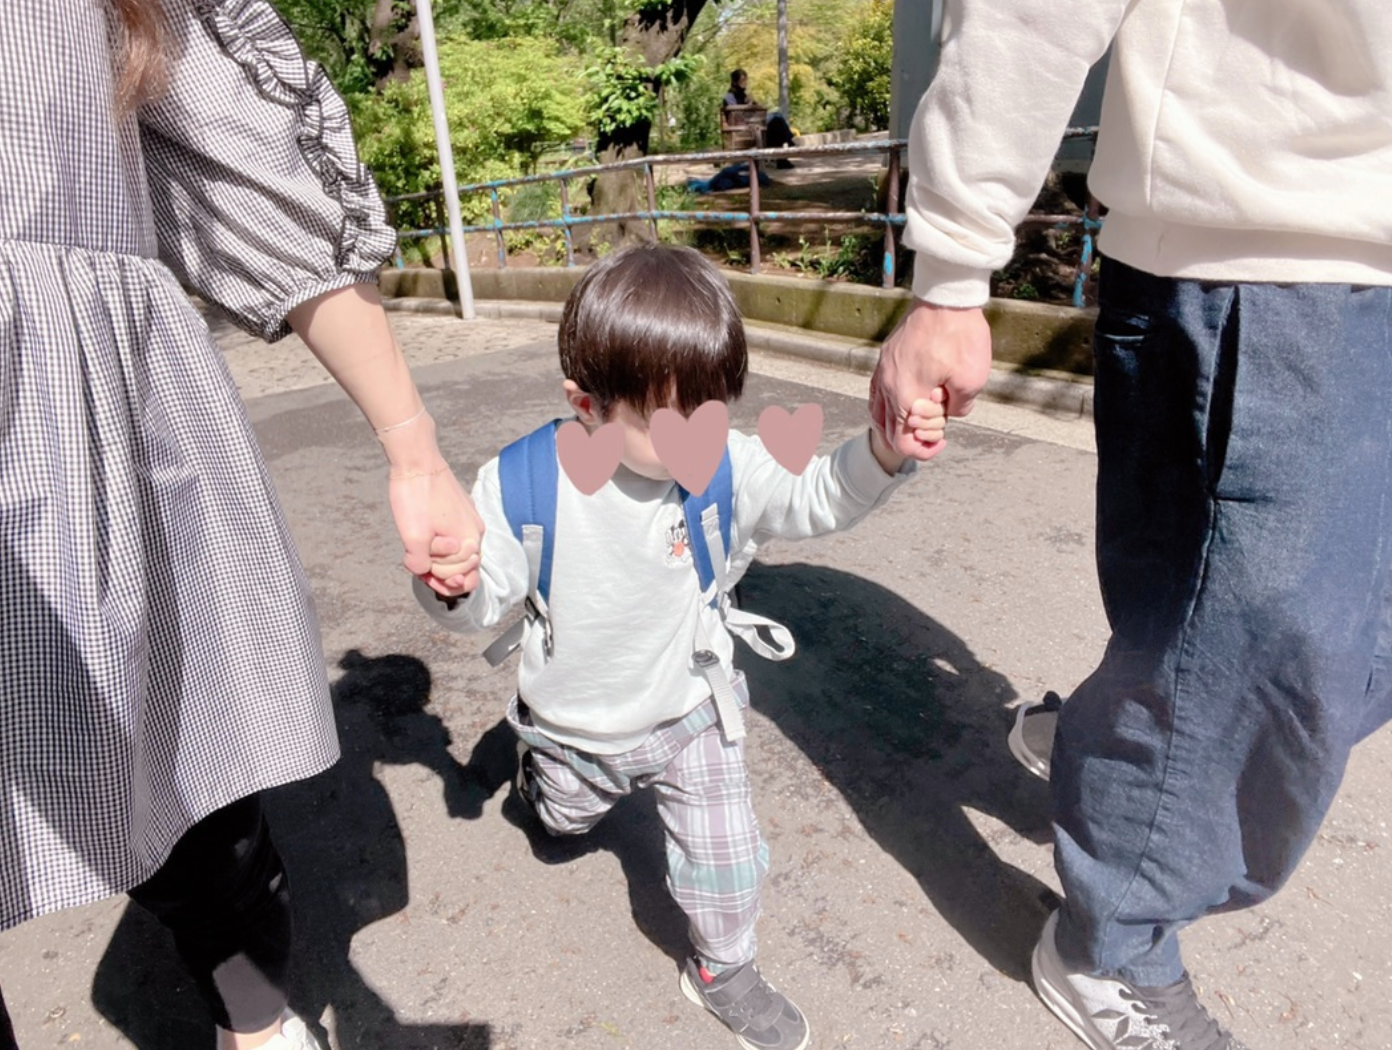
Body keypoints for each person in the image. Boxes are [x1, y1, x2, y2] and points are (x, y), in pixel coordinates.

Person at [871, 1, 1392, 1049]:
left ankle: (1121, 741)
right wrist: (952, 272)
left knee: (1347, 639)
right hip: (1259, 249)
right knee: (1257, 652)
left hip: (1351, 266)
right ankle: (1109, 941)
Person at [0, 2, 482, 1049]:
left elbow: (253, 161)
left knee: (183, 761)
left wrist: (412, 443)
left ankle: (249, 1001)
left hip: (76, 440)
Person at [414, 244, 944, 1050]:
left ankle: (723, 969)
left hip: (691, 709)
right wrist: (449, 583)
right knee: (562, 824)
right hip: (576, 726)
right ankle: (544, 786)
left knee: (728, 857)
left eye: (713, 408)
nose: (699, 434)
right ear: (586, 404)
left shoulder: (721, 466)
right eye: (669, 418)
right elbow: (483, 597)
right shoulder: (523, 481)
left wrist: (883, 451)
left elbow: (814, 494)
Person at [722, 69, 796, 164]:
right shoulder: (729, 97)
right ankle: (789, 143)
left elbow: (758, 110)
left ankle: (782, 158)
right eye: (742, 81)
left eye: (746, 81)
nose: (745, 84)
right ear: (735, 82)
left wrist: (753, 103)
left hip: (754, 124)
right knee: (777, 118)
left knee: (777, 119)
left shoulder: (744, 95)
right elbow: (736, 114)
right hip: (744, 128)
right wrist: (747, 106)